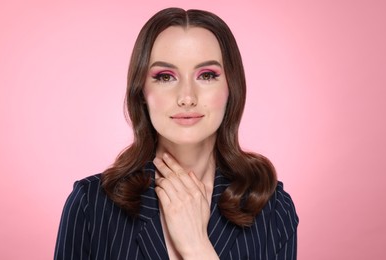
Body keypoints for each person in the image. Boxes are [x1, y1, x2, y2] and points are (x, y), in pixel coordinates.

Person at [54, 7, 298, 260]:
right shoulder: (91, 205)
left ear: (231, 88)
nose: (187, 98)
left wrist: (197, 248)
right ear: (142, 92)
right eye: (165, 77)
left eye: (206, 75)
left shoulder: (272, 208)